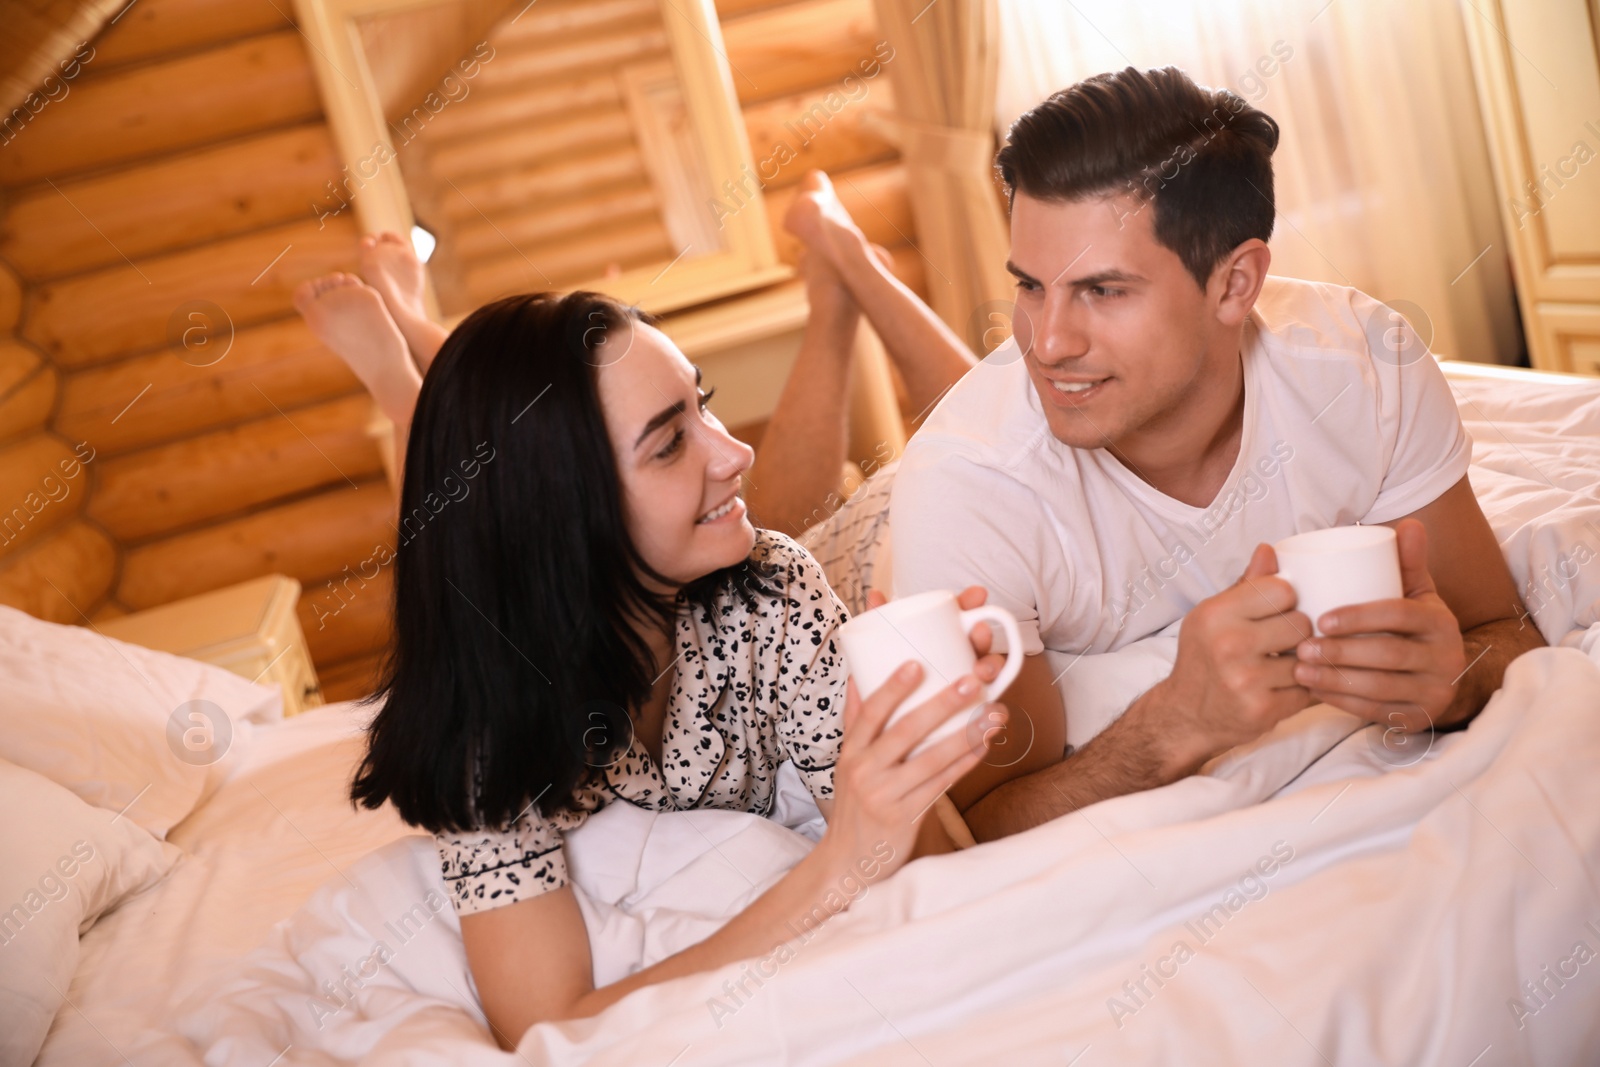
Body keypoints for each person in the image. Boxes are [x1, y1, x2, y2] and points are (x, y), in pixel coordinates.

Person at [309, 265, 1044, 1048]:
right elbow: (550, 1026)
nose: (736, 452)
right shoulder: (487, 731)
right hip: (573, 565)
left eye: (706, 407)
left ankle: (841, 270)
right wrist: (836, 867)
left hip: (852, 548)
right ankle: (403, 381)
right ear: (568, 515)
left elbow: (926, 869)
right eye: (669, 443)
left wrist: (908, 760)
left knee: (972, 453)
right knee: (465, 508)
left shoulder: (774, 586)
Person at [823, 65, 1543, 841]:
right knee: (946, 437)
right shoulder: (965, 484)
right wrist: (1173, 723)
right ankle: (844, 266)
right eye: (1030, 286)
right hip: (859, 546)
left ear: (1236, 283)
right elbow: (976, 825)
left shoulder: (1367, 366)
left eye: (1103, 291)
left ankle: (850, 262)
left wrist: (1455, 686)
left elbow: (1504, 632)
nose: (1048, 339)